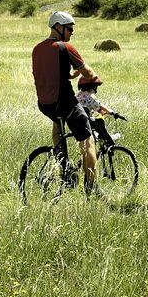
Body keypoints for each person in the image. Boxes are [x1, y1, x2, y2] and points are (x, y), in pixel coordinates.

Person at [32, 10, 101, 196]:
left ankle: (63, 167)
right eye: (69, 29)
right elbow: (89, 74)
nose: (71, 32)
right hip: (64, 101)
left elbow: (52, 74)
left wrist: (71, 75)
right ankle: (92, 188)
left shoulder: (37, 48)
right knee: (88, 140)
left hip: (45, 104)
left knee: (58, 125)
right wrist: (90, 73)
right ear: (59, 27)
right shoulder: (65, 47)